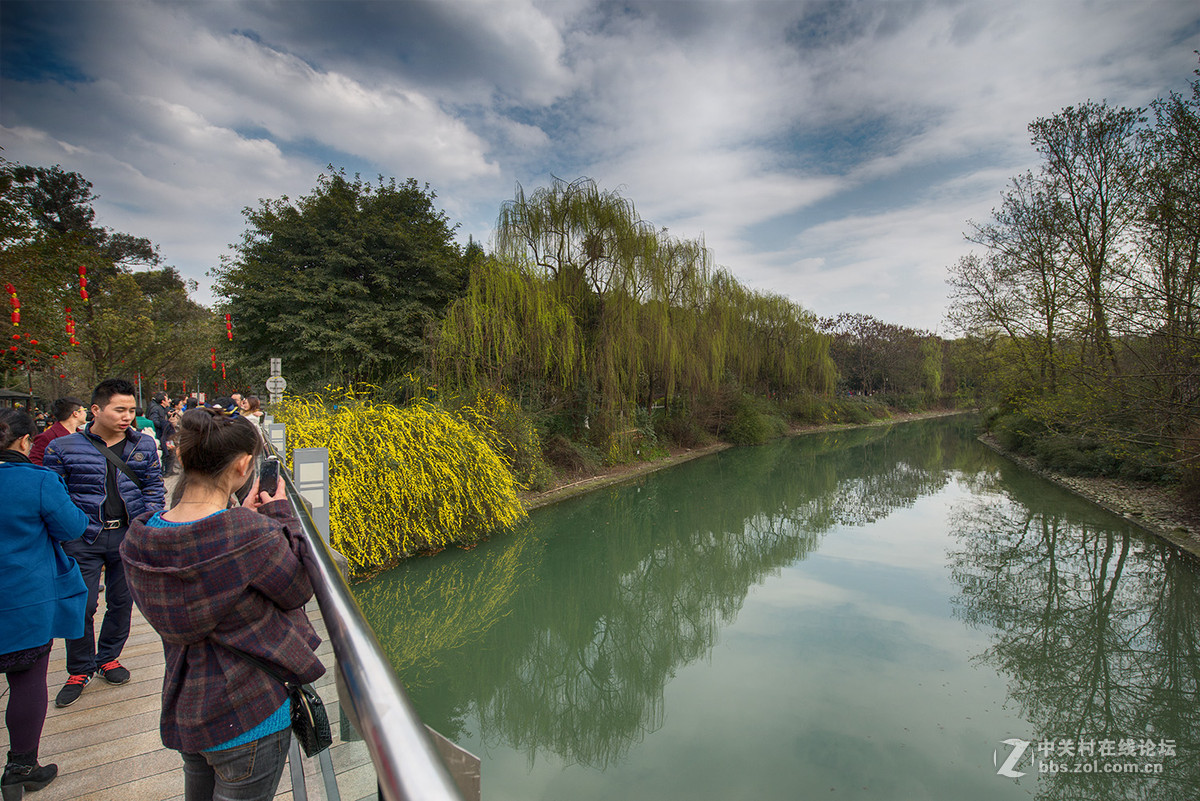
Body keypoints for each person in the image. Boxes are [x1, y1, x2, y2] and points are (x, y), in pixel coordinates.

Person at [121, 408, 324, 801]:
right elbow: (298, 589)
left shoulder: (142, 537)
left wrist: (238, 518)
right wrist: (281, 515)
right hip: (250, 712)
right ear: (245, 465)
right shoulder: (249, 534)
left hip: (188, 706)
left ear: (180, 457)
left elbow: (202, 553)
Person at [42, 378, 166, 708]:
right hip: (84, 537)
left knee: (122, 601)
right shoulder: (63, 448)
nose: (128, 416)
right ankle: (79, 668)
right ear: (96, 410)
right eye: (120, 409)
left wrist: (146, 525)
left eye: (131, 410)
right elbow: (54, 495)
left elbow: (154, 488)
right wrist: (71, 530)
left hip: (127, 535)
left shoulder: (143, 446)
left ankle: (108, 657)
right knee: (81, 606)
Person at [0, 409, 88, 800]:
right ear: (24, 442)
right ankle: (21, 767)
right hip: (23, 601)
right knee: (27, 682)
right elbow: (73, 527)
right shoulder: (36, 481)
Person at [29, 397, 87, 466]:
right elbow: (35, 463)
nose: (86, 413)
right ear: (76, 413)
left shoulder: (84, 435)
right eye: (84, 410)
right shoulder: (47, 437)